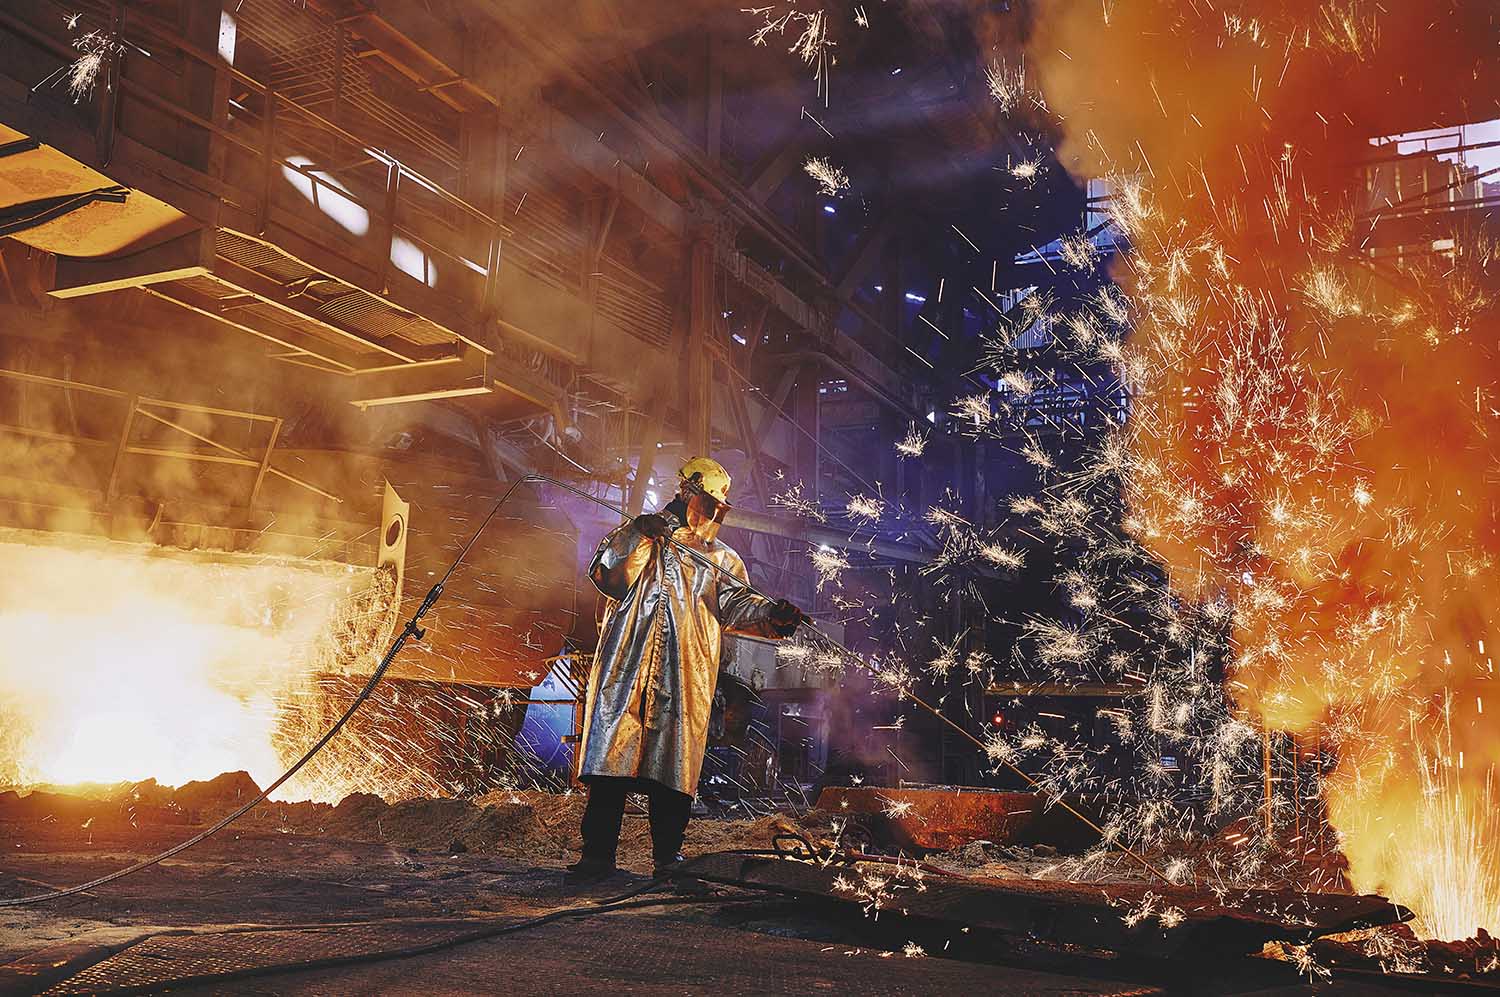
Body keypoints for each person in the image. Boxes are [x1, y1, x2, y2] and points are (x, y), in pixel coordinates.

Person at [566, 456, 804, 884]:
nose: (712, 514)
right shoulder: (642, 536)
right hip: (628, 665)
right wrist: (640, 532)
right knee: (611, 765)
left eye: (718, 508)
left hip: (683, 672)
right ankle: (596, 858)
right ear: (685, 492)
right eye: (706, 502)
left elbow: (737, 604)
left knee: (672, 768)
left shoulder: (722, 560)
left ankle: (667, 859)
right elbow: (607, 575)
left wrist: (773, 613)